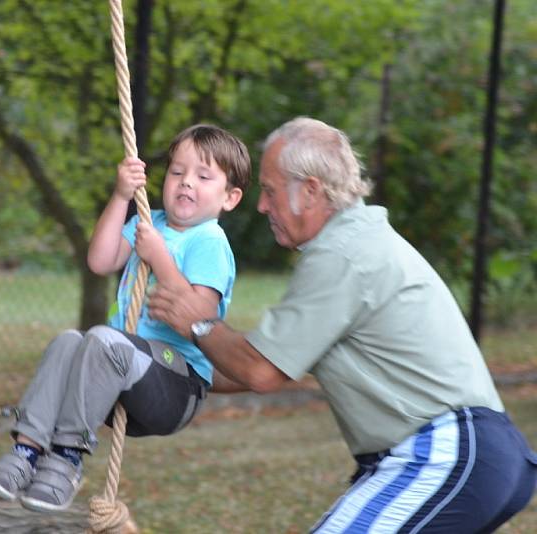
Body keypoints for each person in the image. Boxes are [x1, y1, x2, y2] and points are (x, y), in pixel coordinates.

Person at [149, 117, 537, 532]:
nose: (262, 206)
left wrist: (199, 323)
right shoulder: (351, 243)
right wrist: (160, 368)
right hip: (472, 457)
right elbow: (261, 364)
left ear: (311, 190)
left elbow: (258, 371)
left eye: (270, 190)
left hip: (447, 453)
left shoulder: (344, 253)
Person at [0, 124, 251, 512]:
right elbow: (100, 260)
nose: (186, 182)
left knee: (103, 340)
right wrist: (121, 196)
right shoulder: (146, 221)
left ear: (230, 198)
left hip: (175, 386)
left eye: (203, 177)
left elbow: (200, 316)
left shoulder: (209, 242)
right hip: (119, 380)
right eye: (176, 172)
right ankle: (26, 452)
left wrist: (159, 258)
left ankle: (66, 461)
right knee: (69, 341)